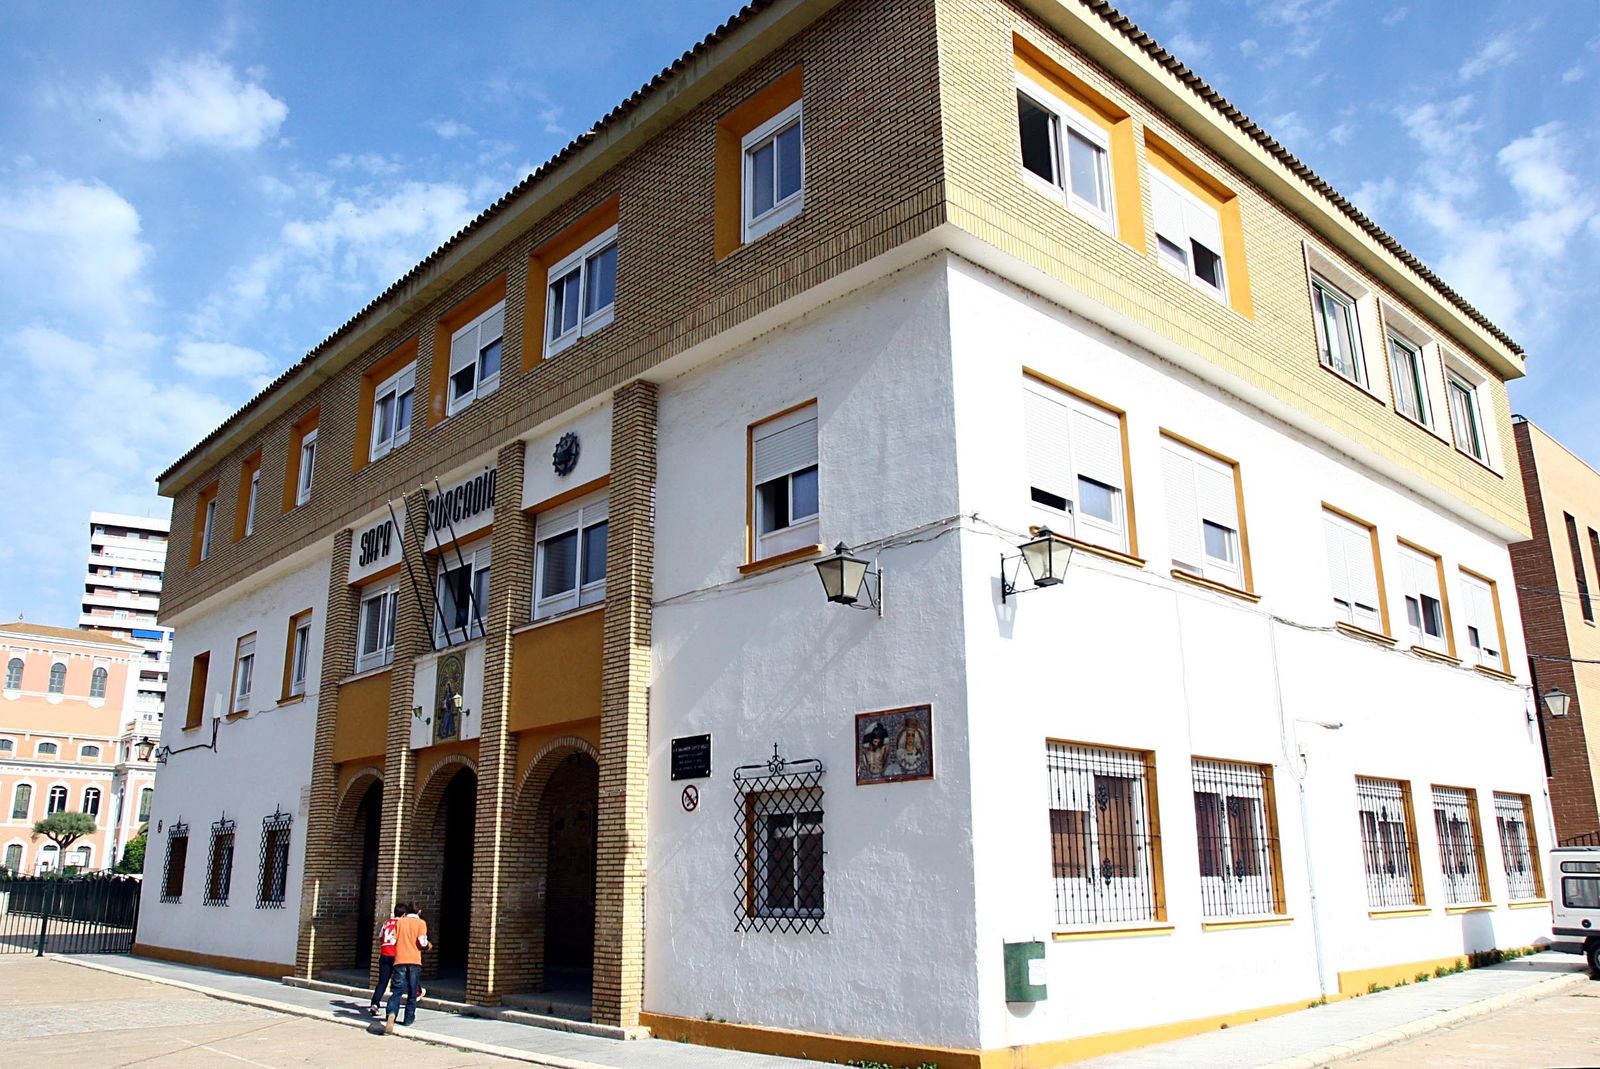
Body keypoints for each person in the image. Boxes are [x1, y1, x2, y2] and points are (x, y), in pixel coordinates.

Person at [384, 903, 430, 1033]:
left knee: (397, 989)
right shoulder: (421, 923)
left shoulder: (400, 922)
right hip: (414, 960)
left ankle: (391, 1013)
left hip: (400, 960)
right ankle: (408, 1018)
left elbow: (393, 941)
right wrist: (427, 946)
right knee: (412, 989)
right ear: (419, 911)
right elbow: (422, 942)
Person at [367, 905, 400, 1018]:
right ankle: (416, 991)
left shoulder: (386, 923)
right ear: (404, 915)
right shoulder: (402, 924)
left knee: (382, 981)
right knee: (401, 979)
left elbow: (381, 937)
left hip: (384, 953)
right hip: (396, 954)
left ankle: (375, 1004)